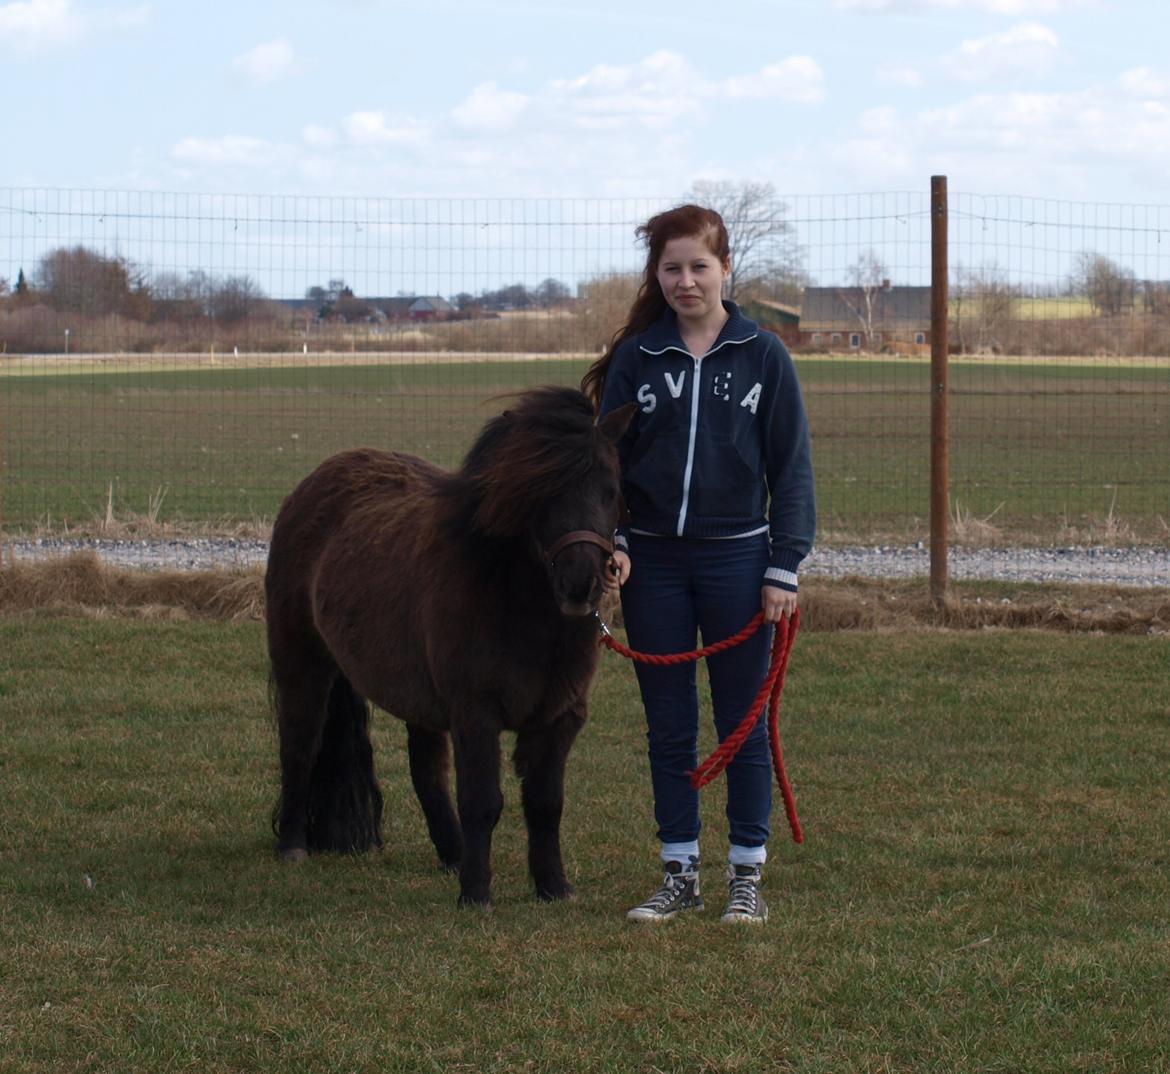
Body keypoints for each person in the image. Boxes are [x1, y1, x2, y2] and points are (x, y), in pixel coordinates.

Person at [581, 203, 815, 924]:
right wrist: (615, 541)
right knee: (670, 727)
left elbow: (793, 469)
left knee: (740, 723)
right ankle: (679, 869)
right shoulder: (638, 358)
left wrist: (785, 568)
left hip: (740, 565)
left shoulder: (763, 354)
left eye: (699, 267)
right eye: (672, 268)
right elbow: (605, 466)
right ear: (658, 274)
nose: (686, 281)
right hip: (653, 565)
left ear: (726, 269)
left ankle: (747, 872)